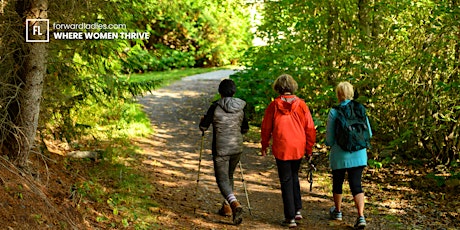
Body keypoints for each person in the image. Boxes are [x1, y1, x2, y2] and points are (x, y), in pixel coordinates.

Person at [260, 74, 316, 228]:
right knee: (294, 176)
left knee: (286, 180)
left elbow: (266, 128)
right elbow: (310, 128)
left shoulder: (274, 106)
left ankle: (290, 217)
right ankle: (297, 210)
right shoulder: (302, 105)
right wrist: (309, 149)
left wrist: (264, 145)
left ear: (278, 88)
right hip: (298, 146)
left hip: (282, 146)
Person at [199, 79, 249, 225]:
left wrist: (202, 121)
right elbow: (245, 129)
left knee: (222, 179)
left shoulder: (215, 107)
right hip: (236, 147)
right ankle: (226, 207)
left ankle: (234, 204)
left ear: (220, 92)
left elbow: (203, 127)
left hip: (221, 148)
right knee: (229, 176)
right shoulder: (241, 107)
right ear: (234, 91)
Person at [325, 81, 372, 229]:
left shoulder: (334, 111)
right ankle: (361, 216)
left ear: (338, 94)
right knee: (356, 184)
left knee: (337, 182)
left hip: (340, 155)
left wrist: (330, 145)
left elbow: (329, 139)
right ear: (351, 93)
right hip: (359, 154)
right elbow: (368, 133)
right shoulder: (360, 108)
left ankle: (338, 211)